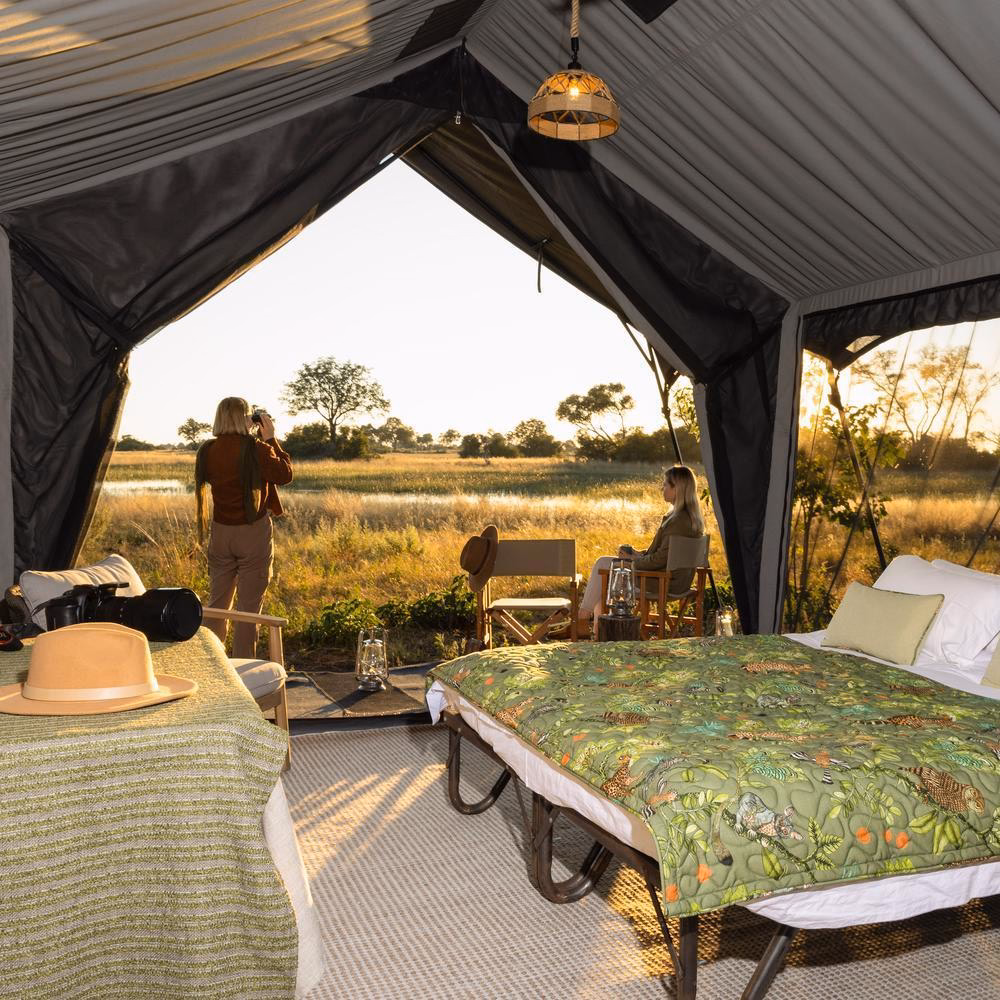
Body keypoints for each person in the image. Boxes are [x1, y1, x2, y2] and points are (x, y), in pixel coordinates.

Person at [195, 397, 293, 657]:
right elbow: (284, 475)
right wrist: (270, 438)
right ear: (245, 418)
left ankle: (213, 664)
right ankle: (243, 668)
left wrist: (244, 433)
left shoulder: (207, 450)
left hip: (221, 532)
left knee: (217, 604)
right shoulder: (257, 449)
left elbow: (214, 473)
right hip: (252, 533)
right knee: (249, 608)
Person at [576, 465, 705, 636]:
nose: (662, 488)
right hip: (673, 579)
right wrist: (638, 554)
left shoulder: (678, 522)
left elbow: (660, 560)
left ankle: (583, 621)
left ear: (677, 489)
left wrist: (631, 561)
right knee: (605, 576)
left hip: (662, 581)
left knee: (604, 566)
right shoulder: (686, 518)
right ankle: (593, 629)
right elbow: (666, 553)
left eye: (666, 484)